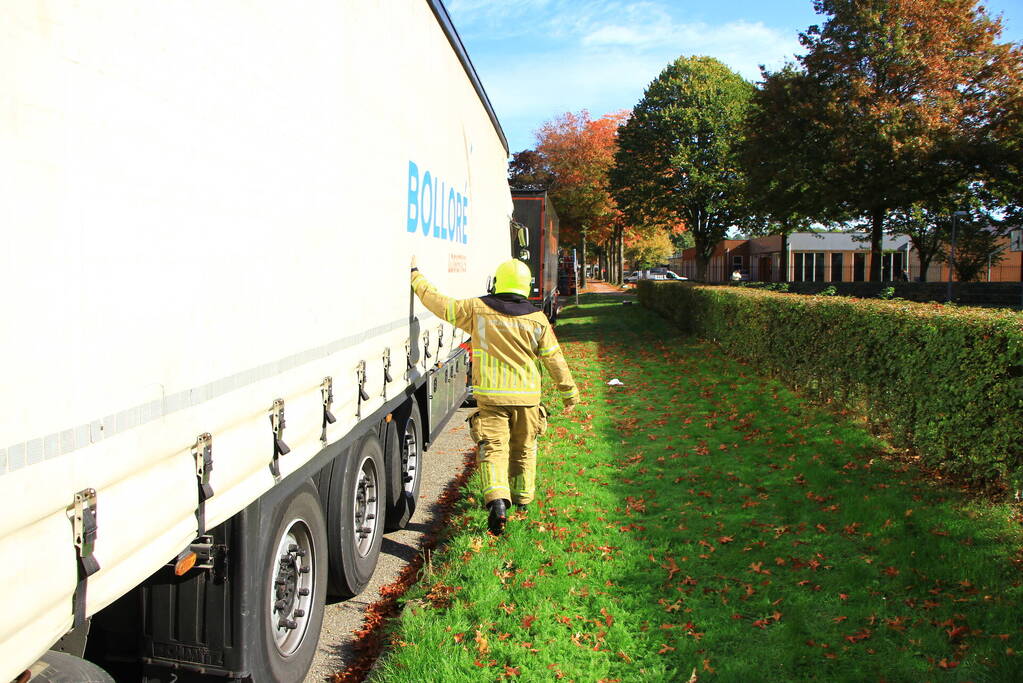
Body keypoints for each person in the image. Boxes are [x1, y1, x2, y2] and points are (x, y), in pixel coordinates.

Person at [410, 256, 579, 535]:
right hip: (527, 400)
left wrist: (416, 277)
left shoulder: (477, 309)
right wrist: (569, 393)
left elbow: (440, 304)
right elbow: (554, 359)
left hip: (491, 399)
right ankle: (523, 502)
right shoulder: (538, 320)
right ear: (526, 287)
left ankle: (498, 502)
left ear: (497, 283)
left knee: (493, 450)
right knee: (524, 450)